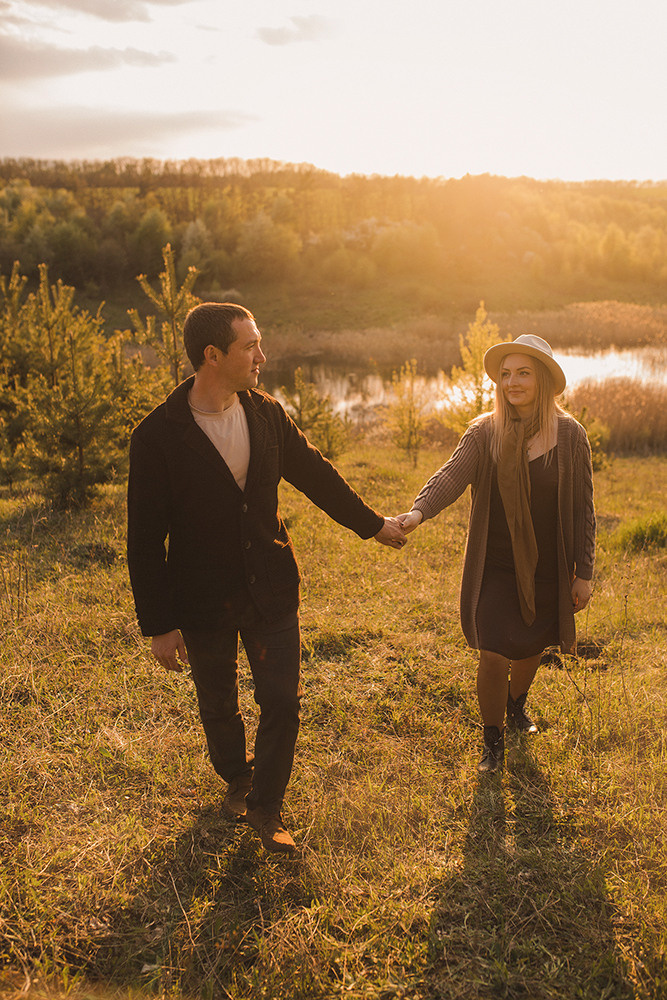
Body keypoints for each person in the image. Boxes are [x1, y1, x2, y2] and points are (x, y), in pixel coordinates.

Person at [127, 302, 407, 854]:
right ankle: (239, 776)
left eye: (259, 342)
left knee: (282, 700)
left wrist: (373, 526)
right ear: (212, 355)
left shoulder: (265, 412)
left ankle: (266, 805)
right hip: (201, 598)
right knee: (219, 705)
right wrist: (159, 625)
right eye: (250, 346)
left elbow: (314, 474)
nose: (262, 355)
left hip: (271, 586)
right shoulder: (157, 435)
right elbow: (143, 540)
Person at [396, 334, 595, 774]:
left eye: (523, 373)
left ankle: (515, 703)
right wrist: (417, 512)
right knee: (493, 651)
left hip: (548, 568)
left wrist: (585, 572)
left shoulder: (570, 434)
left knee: (531, 646)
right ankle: (493, 742)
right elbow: (452, 475)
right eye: (505, 374)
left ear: (542, 379)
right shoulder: (485, 431)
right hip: (496, 566)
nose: (512, 382)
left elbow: (584, 508)